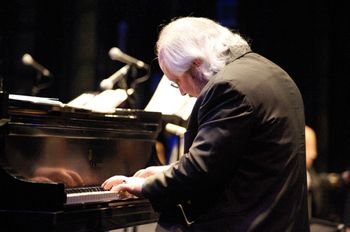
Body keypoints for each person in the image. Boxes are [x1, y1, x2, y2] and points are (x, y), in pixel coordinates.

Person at [102, 16, 309, 231]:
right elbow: (233, 160)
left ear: (196, 63)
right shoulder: (272, 72)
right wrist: (167, 171)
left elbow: (201, 171)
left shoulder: (229, 87)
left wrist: (144, 186)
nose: (182, 91)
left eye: (177, 82)